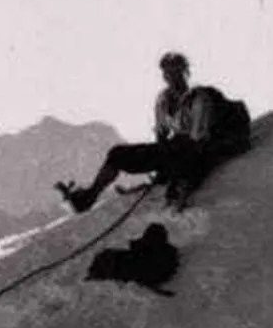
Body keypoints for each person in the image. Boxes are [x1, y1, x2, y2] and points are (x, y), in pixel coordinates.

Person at [57, 53, 249, 211]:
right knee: (117, 154)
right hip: (179, 147)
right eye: (168, 74)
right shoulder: (163, 100)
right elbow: (162, 136)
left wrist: (177, 176)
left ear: (185, 73)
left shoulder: (200, 99)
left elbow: (199, 144)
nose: (173, 78)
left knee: (185, 156)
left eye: (177, 72)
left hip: (201, 146)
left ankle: (179, 188)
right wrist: (159, 161)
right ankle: (89, 196)